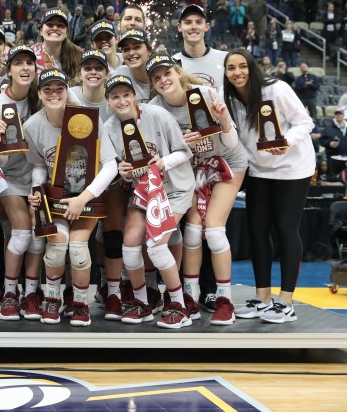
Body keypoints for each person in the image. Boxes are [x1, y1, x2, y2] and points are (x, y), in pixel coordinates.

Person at [147, 53, 249, 325]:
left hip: (228, 161)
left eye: (166, 73)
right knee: (192, 231)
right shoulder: (156, 109)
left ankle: (224, 299)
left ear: (178, 72)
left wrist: (224, 121)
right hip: (193, 167)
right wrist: (183, 144)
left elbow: (229, 142)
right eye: (156, 78)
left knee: (214, 230)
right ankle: (190, 296)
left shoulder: (204, 93)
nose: (163, 80)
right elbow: (169, 154)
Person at [224, 49, 315, 324]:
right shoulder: (229, 99)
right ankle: (262, 298)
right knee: (257, 230)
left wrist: (284, 141)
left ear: (252, 68)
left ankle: (286, 301)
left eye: (243, 66)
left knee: (286, 229)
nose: (237, 72)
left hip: (292, 169)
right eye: (231, 68)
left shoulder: (277, 89)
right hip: (258, 170)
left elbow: (305, 122)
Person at [24, 68, 119, 326]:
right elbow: (39, 165)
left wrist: (83, 199)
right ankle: (52, 299)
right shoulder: (32, 125)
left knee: (78, 249)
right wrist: (36, 189)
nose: (54, 94)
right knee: (56, 249)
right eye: (47, 90)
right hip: (56, 198)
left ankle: (79, 303)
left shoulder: (87, 119)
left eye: (59, 89)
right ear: (40, 94)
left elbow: (111, 166)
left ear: (67, 92)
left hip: (87, 198)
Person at [102, 74, 195, 328]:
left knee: (155, 246)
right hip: (143, 191)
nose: (121, 101)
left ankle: (178, 305)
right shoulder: (109, 127)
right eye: (115, 96)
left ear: (134, 96)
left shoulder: (158, 115)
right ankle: (142, 302)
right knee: (130, 245)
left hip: (174, 189)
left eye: (126, 95)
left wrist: (162, 163)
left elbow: (184, 151)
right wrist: (120, 171)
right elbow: (111, 166)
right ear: (108, 100)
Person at [0, 45, 44, 321]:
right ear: (8, 70)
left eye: (29, 64)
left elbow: (43, 153)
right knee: (20, 233)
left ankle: (31, 293)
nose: (24, 68)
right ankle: (10, 294)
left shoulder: (41, 97)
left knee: (37, 234)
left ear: (36, 69)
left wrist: (37, 185)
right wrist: (2, 146)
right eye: (18, 63)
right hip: (7, 177)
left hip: (36, 174)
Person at [173, 4, 227, 89]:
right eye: (188, 22)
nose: (194, 27)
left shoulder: (225, 59)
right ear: (179, 27)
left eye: (198, 22)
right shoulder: (173, 64)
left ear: (206, 27)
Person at [32, 8, 82, 81]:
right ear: (41, 31)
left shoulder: (79, 56)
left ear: (66, 33)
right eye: (50, 24)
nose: (55, 28)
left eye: (60, 25)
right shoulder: (29, 55)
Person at [320, 108, 347, 176]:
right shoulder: (328, 128)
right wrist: (329, 143)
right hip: (334, 159)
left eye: (340, 114)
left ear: (343, 115)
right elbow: (321, 141)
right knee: (334, 179)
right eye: (336, 114)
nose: (338, 115)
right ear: (334, 116)